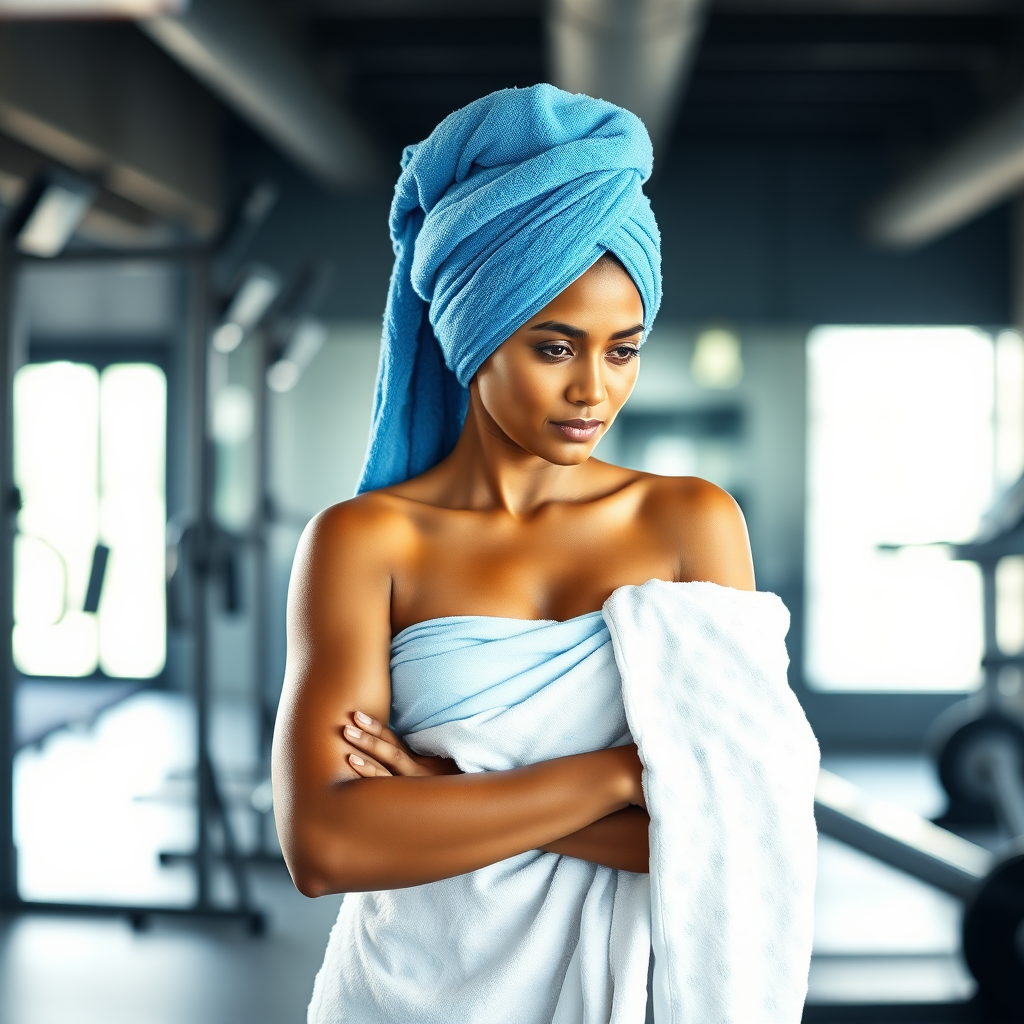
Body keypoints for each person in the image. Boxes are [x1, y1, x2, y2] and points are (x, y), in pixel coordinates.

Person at [273, 85, 818, 1024]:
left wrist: (453, 794)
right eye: (555, 347)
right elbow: (326, 845)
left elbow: (742, 824)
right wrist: (625, 778)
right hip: (400, 995)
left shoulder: (692, 525)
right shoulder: (365, 541)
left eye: (623, 349)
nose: (593, 392)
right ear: (474, 334)